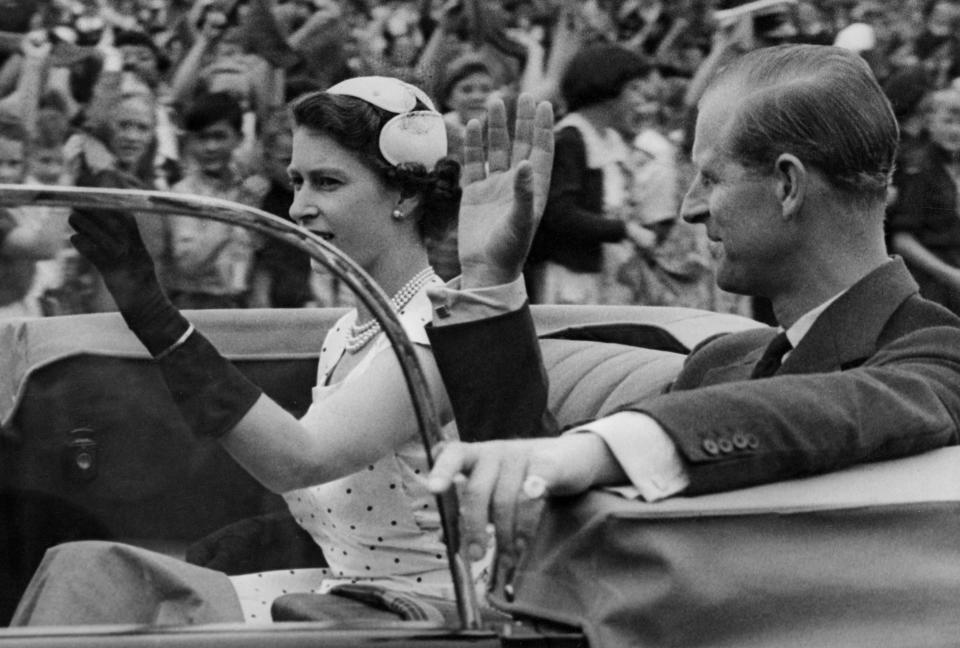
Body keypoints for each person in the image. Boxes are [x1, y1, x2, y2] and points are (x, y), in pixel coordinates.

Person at [11, 77, 555, 625]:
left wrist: (154, 315)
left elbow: (300, 458)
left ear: (407, 195)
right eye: (296, 182)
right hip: (340, 600)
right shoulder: (348, 330)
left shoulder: (435, 331)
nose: (299, 208)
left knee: (104, 580)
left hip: (417, 619)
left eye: (327, 183)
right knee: (90, 570)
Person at [424, 44, 960, 568]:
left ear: (788, 185)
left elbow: (845, 405)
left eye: (710, 177)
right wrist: (491, 279)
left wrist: (592, 452)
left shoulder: (936, 352)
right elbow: (535, 504)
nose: (689, 208)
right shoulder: (722, 362)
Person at [526, 43, 661, 305]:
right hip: (573, 277)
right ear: (606, 89)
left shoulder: (611, 139)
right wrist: (624, 230)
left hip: (609, 275)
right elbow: (559, 213)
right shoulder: (571, 140)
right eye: (633, 89)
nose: (638, 99)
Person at [887, 87, 960, 315]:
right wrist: (951, 275)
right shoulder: (918, 168)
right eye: (947, 121)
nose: (955, 130)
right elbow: (902, 240)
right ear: (929, 122)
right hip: (931, 285)